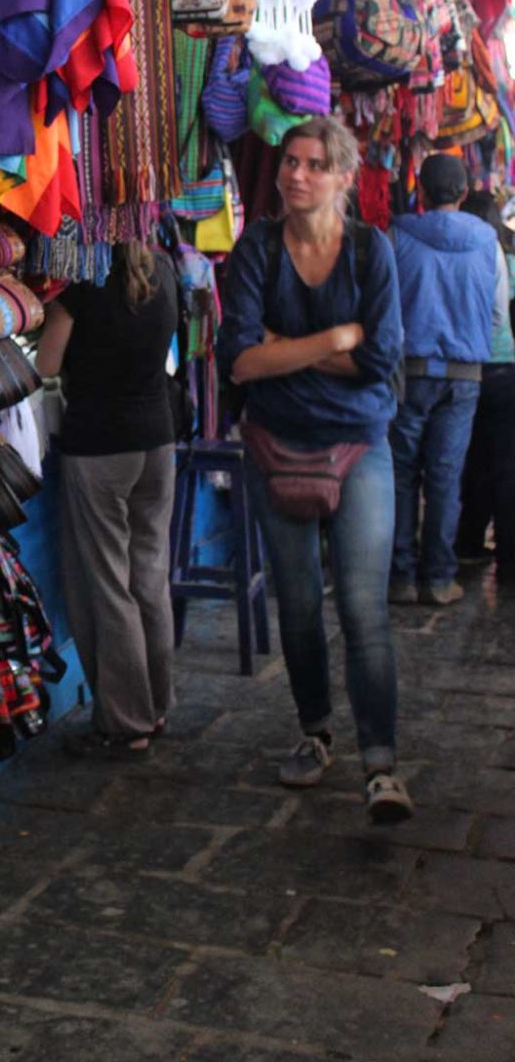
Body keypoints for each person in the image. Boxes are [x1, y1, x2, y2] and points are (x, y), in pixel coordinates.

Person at [217, 114, 412, 824]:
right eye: (290, 161)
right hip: (275, 443)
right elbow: (237, 357)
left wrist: (283, 347)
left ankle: (382, 763)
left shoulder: (370, 251)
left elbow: (380, 360)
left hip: (359, 444)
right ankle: (315, 730)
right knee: (297, 602)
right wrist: (332, 337)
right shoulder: (256, 250)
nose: (297, 174)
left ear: (342, 174)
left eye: (314, 163)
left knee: (362, 605)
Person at [36, 238, 180, 758]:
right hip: (156, 438)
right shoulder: (164, 267)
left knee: (108, 585)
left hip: (100, 444)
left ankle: (126, 722)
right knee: (148, 575)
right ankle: (156, 705)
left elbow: (46, 364)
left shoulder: (82, 281)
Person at [389, 154, 502, 606]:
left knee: (400, 475)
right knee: (445, 476)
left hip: (409, 373)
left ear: (420, 190)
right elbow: (497, 314)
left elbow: (382, 306)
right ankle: (438, 579)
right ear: (464, 191)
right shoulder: (489, 242)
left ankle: (398, 577)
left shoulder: (397, 235)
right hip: (464, 377)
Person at [455, 191, 515, 576]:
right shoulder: (507, 257)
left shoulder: (462, 257)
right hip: (506, 370)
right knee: (507, 465)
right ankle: (509, 556)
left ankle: (469, 542)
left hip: (465, 368)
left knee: (470, 463)